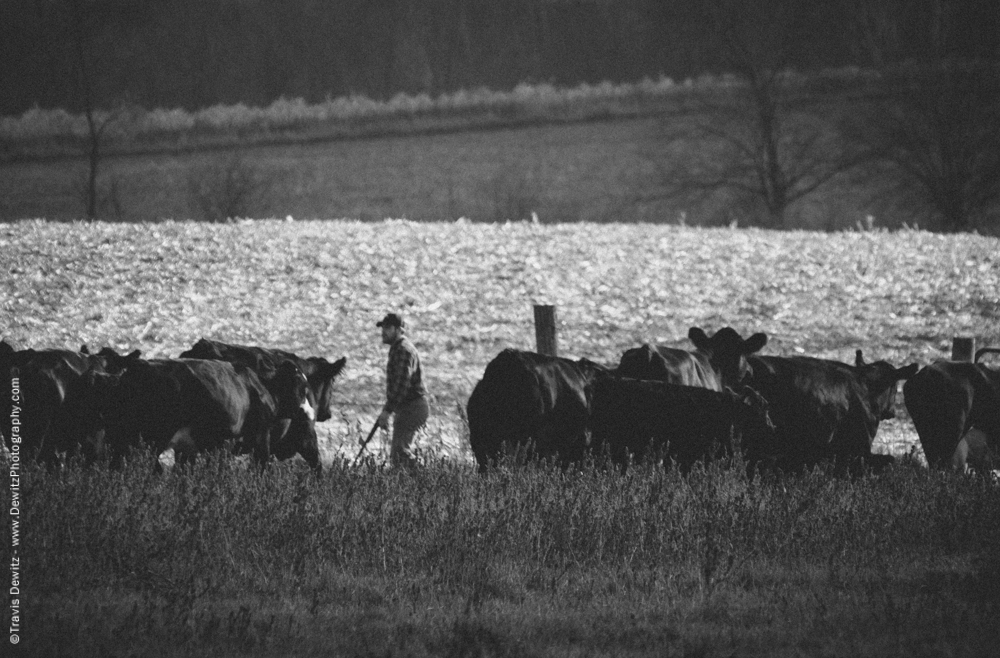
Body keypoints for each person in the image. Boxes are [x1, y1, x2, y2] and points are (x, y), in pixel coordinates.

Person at [375, 313, 429, 468]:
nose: (383, 331)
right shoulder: (397, 349)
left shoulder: (403, 350)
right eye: (383, 327)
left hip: (413, 406)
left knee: (400, 452)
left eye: (388, 328)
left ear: (399, 330)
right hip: (408, 407)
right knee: (398, 456)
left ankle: (431, 480)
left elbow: (401, 385)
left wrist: (387, 412)